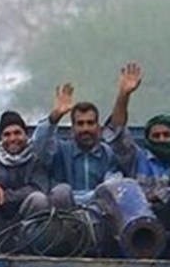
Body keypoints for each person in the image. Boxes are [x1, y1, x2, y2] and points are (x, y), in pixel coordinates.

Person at [31, 63, 144, 205]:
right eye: (80, 124)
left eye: (90, 123)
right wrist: (55, 117)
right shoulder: (60, 151)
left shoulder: (108, 154)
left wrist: (123, 95)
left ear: (99, 128)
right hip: (64, 215)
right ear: (72, 129)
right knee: (62, 191)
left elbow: (117, 131)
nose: (85, 128)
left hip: (100, 214)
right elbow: (38, 147)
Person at [0, 111, 71, 240]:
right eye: (7, 134)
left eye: (17, 133)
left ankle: (31, 249)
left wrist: (5, 197)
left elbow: (39, 187)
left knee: (39, 199)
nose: (12, 139)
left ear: (25, 135)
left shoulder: (35, 159)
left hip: (26, 219)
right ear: (0, 138)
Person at [117, 112, 170, 260]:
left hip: (169, 221)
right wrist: (123, 96)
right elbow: (117, 136)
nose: (161, 140)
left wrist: (160, 195)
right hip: (137, 221)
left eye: (166, 135)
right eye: (156, 136)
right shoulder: (137, 159)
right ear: (148, 139)